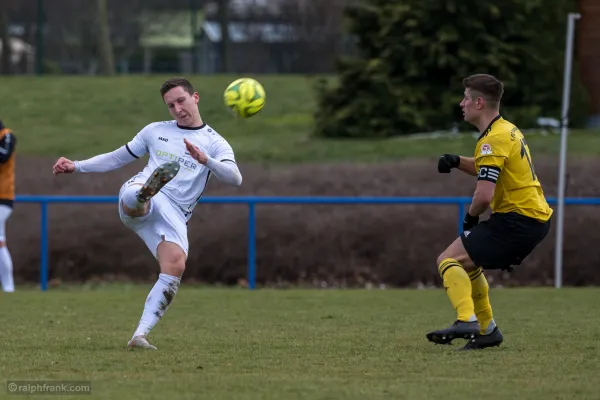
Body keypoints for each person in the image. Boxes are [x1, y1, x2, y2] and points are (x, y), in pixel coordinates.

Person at [52, 77, 243, 350]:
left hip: (176, 213)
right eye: (170, 105)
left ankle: (139, 336)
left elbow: (235, 178)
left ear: (195, 97)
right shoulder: (155, 131)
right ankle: (143, 196)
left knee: (175, 265)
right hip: (143, 198)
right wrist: (77, 166)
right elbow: (118, 157)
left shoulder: (214, 143)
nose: (177, 109)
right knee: (141, 195)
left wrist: (205, 160)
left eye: (181, 101)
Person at [427, 74, 553, 350]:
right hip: (534, 219)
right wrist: (456, 161)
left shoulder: (491, 140)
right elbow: (489, 166)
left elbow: (484, 195)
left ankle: (467, 321)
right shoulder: (507, 130)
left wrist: (470, 217)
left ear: (479, 102)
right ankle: (487, 331)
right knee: (469, 263)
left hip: (517, 221)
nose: (461, 104)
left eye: (466, 98)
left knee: (447, 260)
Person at [0, 120, 16, 292]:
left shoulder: (7, 136)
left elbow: (3, 156)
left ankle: (9, 286)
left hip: (3, 197)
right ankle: (8, 287)